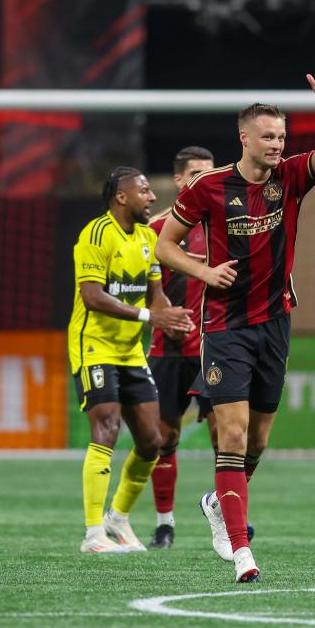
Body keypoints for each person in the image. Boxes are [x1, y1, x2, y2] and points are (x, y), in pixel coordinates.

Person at [155, 74, 315, 582]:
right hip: (224, 325)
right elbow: (164, 246)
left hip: (275, 322)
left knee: (258, 442)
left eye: (282, 138)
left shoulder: (290, 178)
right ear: (244, 137)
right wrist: (202, 272)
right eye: (268, 137)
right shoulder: (209, 187)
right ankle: (242, 551)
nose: (277, 145)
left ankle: (218, 503)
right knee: (234, 432)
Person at [68, 166, 195, 553]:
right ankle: (93, 534)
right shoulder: (95, 235)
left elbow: (154, 292)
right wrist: (149, 317)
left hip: (129, 351)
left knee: (152, 442)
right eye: (143, 191)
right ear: (121, 197)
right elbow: (92, 296)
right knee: (105, 428)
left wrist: (170, 316)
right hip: (94, 346)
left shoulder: (146, 238)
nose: (152, 197)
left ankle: (118, 519)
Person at [145, 146, 215, 549]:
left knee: (228, 435)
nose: (202, 180)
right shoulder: (156, 230)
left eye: (209, 173)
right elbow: (138, 286)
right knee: (164, 435)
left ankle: (227, 513)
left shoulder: (226, 225)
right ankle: (165, 523)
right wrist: (158, 311)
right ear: (178, 180)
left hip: (216, 347)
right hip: (169, 350)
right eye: (194, 174)